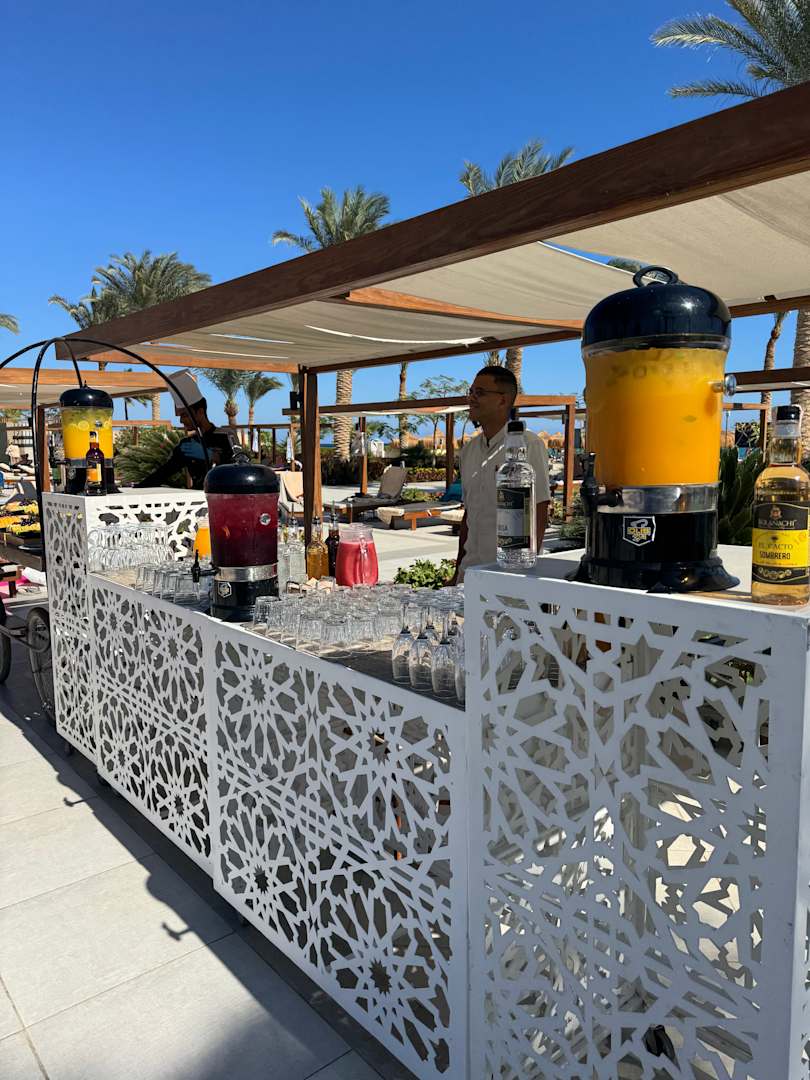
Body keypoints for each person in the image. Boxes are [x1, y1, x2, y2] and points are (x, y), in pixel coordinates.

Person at [453, 366, 550, 582]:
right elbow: (469, 516)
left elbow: (539, 509)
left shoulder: (529, 444)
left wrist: (522, 574)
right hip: (470, 572)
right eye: (471, 392)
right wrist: (457, 570)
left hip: (508, 573)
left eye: (480, 392)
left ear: (503, 400)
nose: (471, 398)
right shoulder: (469, 450)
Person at [136, 370, 238, 489]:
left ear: (200, 412)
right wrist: (138, 488)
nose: (181, 421)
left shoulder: (226, 436)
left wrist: (214, 456)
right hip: (197, 497)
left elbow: (240, 466)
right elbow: (164, 472)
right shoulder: (187, 444)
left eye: (184, 415)